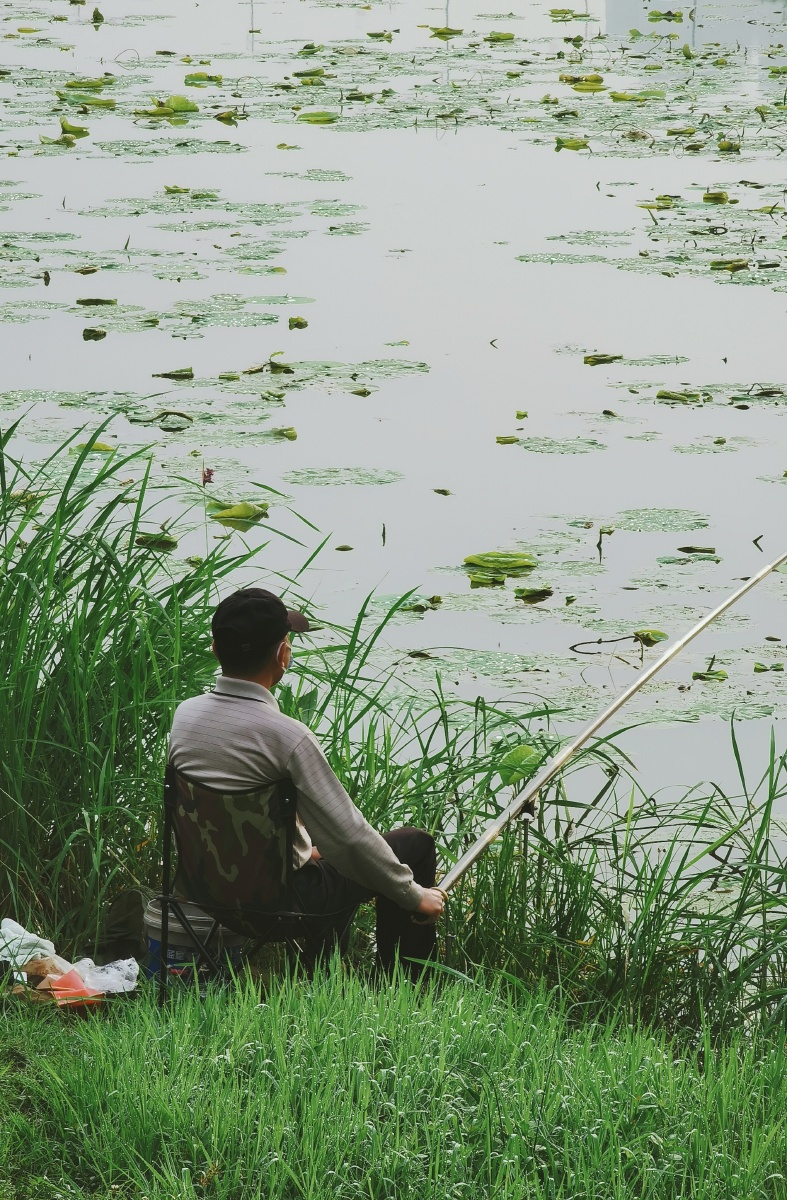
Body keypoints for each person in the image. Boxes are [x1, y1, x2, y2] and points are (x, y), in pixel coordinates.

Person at [168, 587, 445, 977]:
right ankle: (406, 988)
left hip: (203, 892)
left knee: (327, 857)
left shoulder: (185, 717)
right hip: (281, 906)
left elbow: (222, 810)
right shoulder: (287, 736)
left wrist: (300, 848)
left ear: (216, 648)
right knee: (414, 845)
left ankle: (323, 962)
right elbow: (348, 837)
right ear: (282, 654)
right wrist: (415, 896)